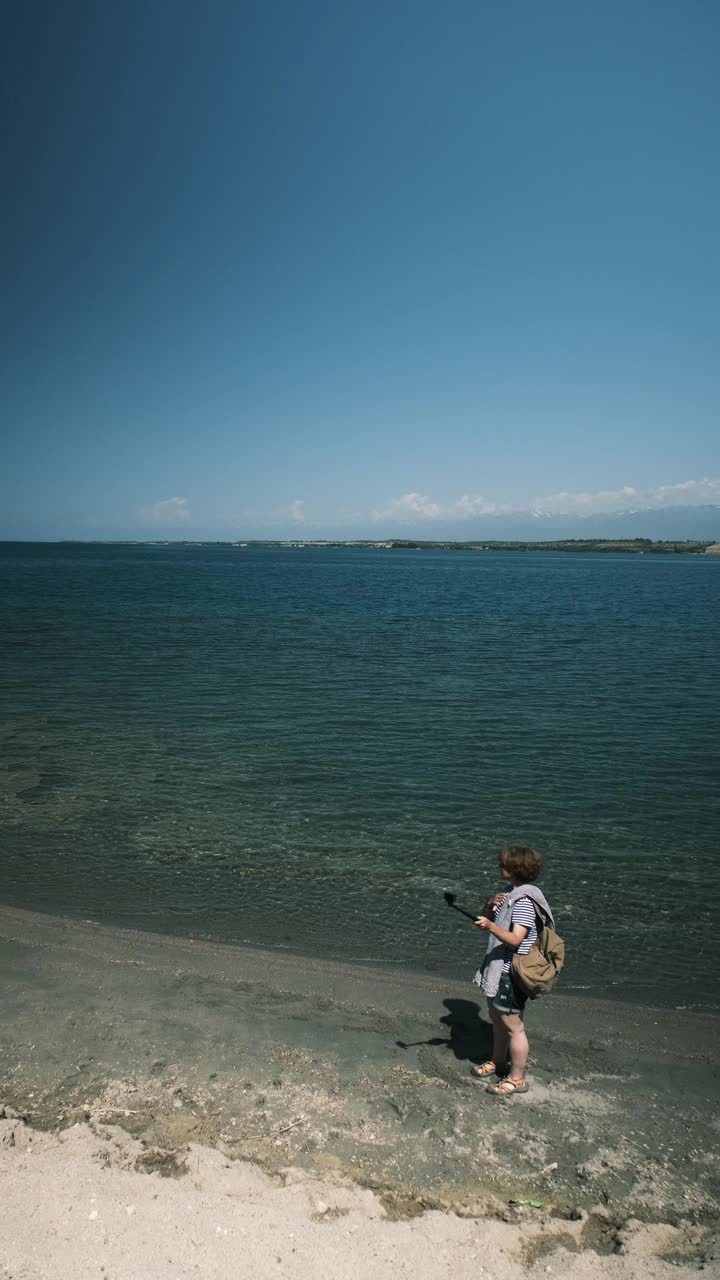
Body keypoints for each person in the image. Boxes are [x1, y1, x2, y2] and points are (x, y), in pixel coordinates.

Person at [470, 845, 554, 1096]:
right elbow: (483, 921)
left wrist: (490, 927)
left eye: (502, 865)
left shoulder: (525, 902)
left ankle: (517, 1078)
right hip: (498, 968)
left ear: (514, 870)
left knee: (513, 1025)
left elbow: (517, 939)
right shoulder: (508, 893)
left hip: (511, 972)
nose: (499, 867)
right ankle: (498, 1061)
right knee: (496, 1018)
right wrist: (488, 905)